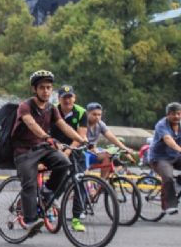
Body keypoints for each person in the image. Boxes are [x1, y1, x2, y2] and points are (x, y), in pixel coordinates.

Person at [12, 71, 87, 235]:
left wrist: (81, 140)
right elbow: (31, 124)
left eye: (49, 88)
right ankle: (31, 220)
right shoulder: (25, 106)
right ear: (34, 89)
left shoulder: (51, 109)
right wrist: (47, 137)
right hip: (24, 151)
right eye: (42, 88)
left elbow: (64, 126)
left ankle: (47, 193)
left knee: (64, 162)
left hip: (41, 148)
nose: (46, 91)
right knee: (29, 183)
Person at [82, 102, 136, 177]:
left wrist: (125, 148)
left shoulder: (100, 124)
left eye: (99, 115)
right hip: (82, 152)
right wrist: (91, 147)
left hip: (93, 152)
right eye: (94, 114)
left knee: (108, 156)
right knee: (84, 172)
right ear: (87, 113)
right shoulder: (83, 123)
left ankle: (102, 184)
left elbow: (112, 137)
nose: (97, 117)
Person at [149, 102, 181, 215]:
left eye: (178, 113)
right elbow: (168, 140)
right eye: (173, 114)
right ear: (167, 115)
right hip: (159, 158)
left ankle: (178, 182)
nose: (176, 116)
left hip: (176, 156)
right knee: (167, 177)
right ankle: (169, 205)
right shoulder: (161, 125)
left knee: (173, 180)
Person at [50, 85, 87, 157]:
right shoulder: (51, 110)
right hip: (53, 148)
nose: (67, 100)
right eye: (64, 97)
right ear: (58, 98)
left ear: (74, 98)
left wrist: (69, 150)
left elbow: (81, 135)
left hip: (74, 148)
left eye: (70, 97)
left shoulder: (82, 112)